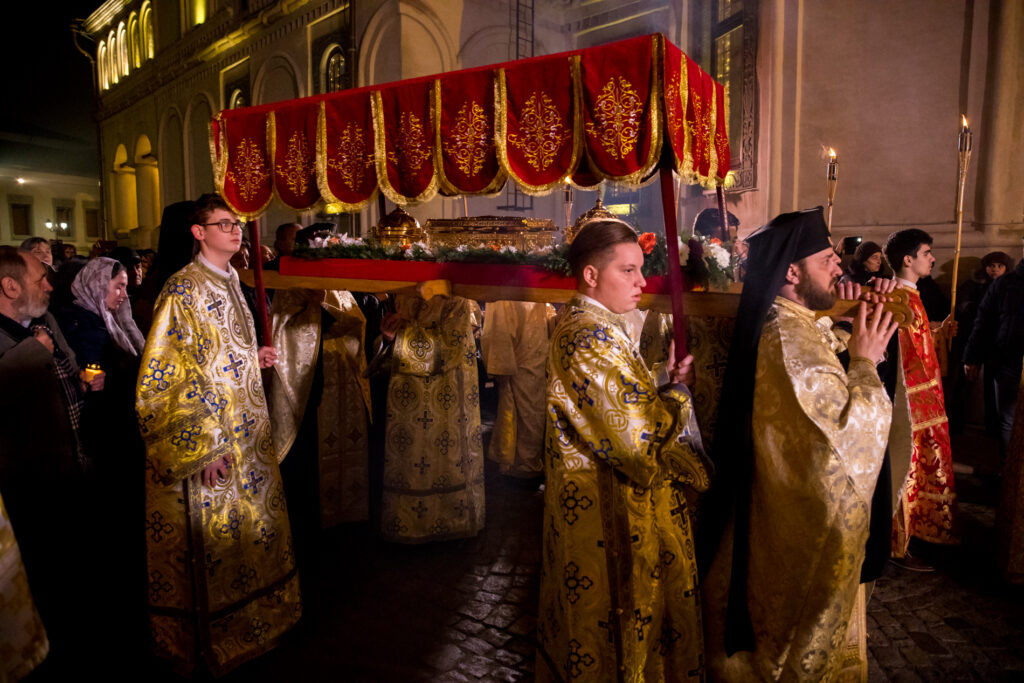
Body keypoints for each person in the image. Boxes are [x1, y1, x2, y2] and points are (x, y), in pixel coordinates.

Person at [702, 207, 898, 681]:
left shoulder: (798, 323)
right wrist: (866, 364)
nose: (840, 268)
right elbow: (842, 445)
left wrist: (858, 324)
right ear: (792, 272)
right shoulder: (790, 342)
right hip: (792, 541)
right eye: (828, 259)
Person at [535, 219, 711, 681]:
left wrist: (662, 380)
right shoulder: (586, 335)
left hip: (611, 508)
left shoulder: (599, 327)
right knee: (613, 640)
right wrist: (676, 395)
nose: (642, 282)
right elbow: (638, 443)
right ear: (591, 275)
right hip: (606, 517)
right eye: (629, 271)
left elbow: (614, 403)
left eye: (641, 270)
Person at [135, 194, 300, 676]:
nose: (234, 230)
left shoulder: (232, 283)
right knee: (217, 548)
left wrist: (255, 358)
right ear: (198, 232)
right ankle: (221, 637)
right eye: (223, 223)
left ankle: (262, 621)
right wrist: (200, 448)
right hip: (215, 447)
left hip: (250, 440)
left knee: (252, 536)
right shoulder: (181, 291)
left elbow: (219, 359)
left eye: (238, 223)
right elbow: (161, 382)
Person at [0, 246, 100, 667]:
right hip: (31, 489)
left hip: (74, 470)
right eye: (41, 277)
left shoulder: (45, 321)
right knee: (46, 584)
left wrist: (81, 382)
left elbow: (66, 371)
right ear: (9, 286)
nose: (49, 284)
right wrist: (34, 353)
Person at [376, 291, 485, 543]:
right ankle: (405, 521)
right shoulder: (401, 293)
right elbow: (389, 341)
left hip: (448, 394)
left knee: (447, 457)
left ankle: (449, 520)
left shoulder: (457, 298)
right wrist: (387, 336)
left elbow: (450, 348)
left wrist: (402, 336)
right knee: (409, 454)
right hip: (407, 394)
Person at [884, 229, 960, 561]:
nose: (932, 258)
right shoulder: (897, 299)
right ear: (908, 259)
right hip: (912, 405)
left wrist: (938, 334)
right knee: (905, 469)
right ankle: (898, 542)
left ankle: (915, 531)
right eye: (927, 252)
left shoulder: (912, 295)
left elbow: (919, 342)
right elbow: (902, 355)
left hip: (925, 401)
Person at [480, 300, 552, 479]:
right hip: (518, 363)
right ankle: (520, 465)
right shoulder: (505, 295)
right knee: (520, 413)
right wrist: (502, 366)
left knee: (534, 414)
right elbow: (500, 330)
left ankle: (528, 462)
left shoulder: (537, 295)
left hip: (537, 359)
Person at [963, 246, 1023, 454]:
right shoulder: (1004, 284)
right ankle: (1008, 472)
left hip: (1008, 358)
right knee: (1007, 420)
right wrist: (972, 358)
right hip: (1008, 360)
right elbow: (984, 323)